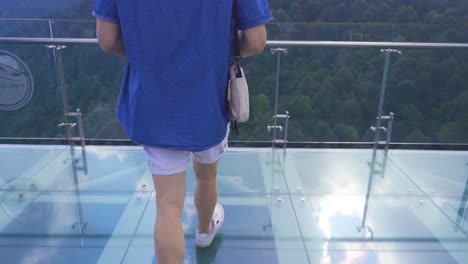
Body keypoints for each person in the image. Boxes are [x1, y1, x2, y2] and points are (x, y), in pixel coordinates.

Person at [93, 0, 273, 263]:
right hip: (209, 98)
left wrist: (148, 53)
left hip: (153, 100)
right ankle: (204, 231)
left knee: (167, 204)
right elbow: (256, 41)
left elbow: (107, 40)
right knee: (208, 174)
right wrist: (213, 46)